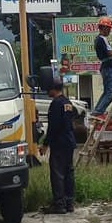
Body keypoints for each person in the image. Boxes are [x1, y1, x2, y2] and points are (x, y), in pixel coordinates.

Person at [38, 79, 76, 214]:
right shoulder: (68, 103)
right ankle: (69, 203)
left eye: (49, 89)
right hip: (69, 142)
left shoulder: (56, 104)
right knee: (68, 172)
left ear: (54, 89)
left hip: (59, 143)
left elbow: (53, 127)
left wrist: (45, 144)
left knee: (58, 173)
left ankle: (59, 204)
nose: (47, 91)